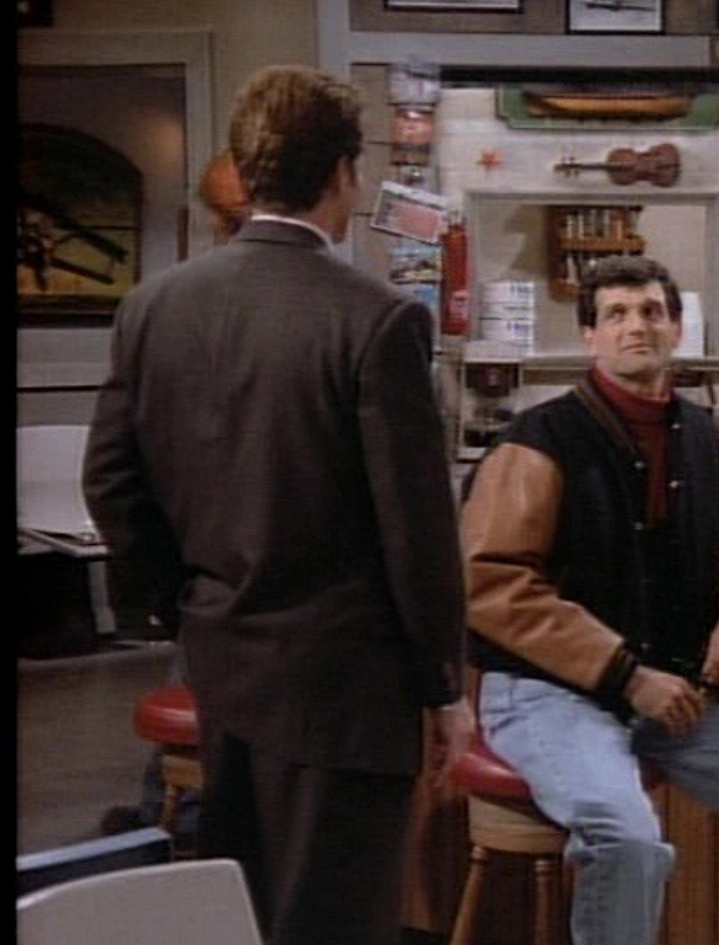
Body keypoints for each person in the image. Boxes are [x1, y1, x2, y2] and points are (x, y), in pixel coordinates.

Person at [82, 65, 474, 945]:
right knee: (335, 922)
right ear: (342, 173)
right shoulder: (377, 320)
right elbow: (416, 532)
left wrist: (180, 605)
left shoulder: (154, 306)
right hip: (347, 691)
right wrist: (444, 687)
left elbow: (110, 480)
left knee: (241, 913)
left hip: (222, 666)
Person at [460, 254, 719, 945]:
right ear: (590, 336)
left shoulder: (701, 435)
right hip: (546, 695)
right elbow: (492, 580)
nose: (636, 327)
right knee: (630, 843)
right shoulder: (539, 440)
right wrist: (625, 673)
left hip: (664, 699)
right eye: (615, 315)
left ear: (677, 328)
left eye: (651, 312)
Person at [97, 149, 252, 846]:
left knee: (201, 710)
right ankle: (178, 826)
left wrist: (162, 589)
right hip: (268, 586)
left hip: (199, 573)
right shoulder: (341, 309)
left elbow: (112, 475)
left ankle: (167, 826)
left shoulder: (161, 307)